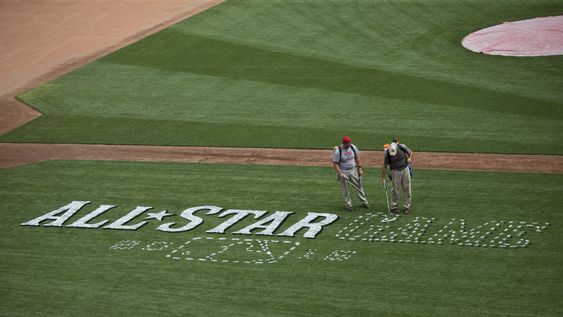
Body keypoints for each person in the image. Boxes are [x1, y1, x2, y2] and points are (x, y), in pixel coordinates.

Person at [332, 135, 369, 211]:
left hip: (353, 170)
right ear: (344, 143)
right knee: (345, 189)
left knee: (358, 186)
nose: (349, 144)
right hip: (344, 172)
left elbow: (357, 158)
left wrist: (360, 168)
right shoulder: (338, 151)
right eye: (347, 143)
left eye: (350, 143)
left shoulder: (353, 147)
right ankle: (348, 205)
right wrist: (340, 173)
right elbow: (335, 164)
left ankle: (364, 202)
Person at [381, 137, 413, 214]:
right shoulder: (388, 153)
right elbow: (385, 166)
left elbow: (410, 153)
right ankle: (393, 207)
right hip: (395, 171)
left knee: (407, 188)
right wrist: (383, 178)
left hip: (405, 169)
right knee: (395, 189)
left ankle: (407, 207)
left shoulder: (402, 147)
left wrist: (410, 158)